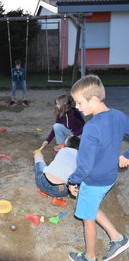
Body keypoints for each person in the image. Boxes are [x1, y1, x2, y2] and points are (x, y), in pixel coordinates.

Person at [67, 75, 129, 261]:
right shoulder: (119, 115)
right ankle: (117, 239)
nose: (77, 107)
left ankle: (89, 256)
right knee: (91, 207)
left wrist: (72, 181)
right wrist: (126, 156)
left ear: (93, 99)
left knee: (88, 218)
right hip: (109, 177)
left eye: (79, 102)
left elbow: (85, 166)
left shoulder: (91, 128)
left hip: (93, 180)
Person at [34, 136, 80, 207]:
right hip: (59, 190)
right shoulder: (80, 158)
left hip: (42, 182)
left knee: (38, 156)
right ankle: (58, 198)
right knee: (72, 182)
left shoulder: (62, 150)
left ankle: (43, 191)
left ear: (66, 145)